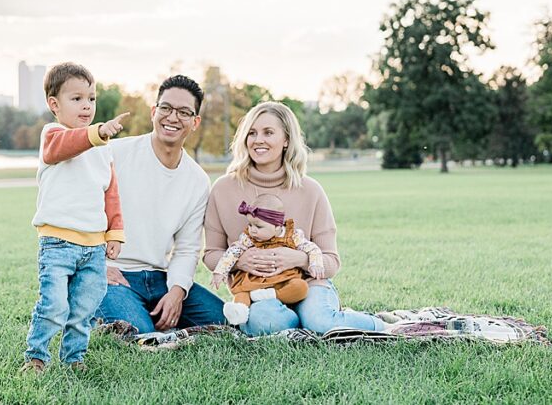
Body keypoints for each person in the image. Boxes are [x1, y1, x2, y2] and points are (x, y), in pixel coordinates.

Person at [204, 101, 390, 336]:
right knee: (266, 323)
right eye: (251, 133)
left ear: (286, 140)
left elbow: (331, 261)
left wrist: (298, 259)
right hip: (257, 291)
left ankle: (383, 325)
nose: (258, 140)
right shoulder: (223, 189)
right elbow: (211, 254)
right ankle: (298, 322)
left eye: (268, 132)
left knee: (320, 321)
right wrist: (241, 261)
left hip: (308, 285)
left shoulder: (311, 190)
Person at [93, 74, 225, 334]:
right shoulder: (114, 154)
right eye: (166, 108)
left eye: (184, 112)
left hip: (159, 278)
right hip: (113, 274)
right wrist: (97, 266)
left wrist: (177, 292)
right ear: (154, 111)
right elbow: (80, 213)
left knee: (226, 323)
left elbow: (187, 249)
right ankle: (97, 309)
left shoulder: (197, 180)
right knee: (141, 335)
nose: (173, 117)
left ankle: (138, 311)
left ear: (195, 122)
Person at [22, 62, 129, 373]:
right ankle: (37, 357)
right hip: (57, 243)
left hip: (93, 248)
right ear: (54, 104)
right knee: (54, 306)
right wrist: (96, 133)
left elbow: (111, 193)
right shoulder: (53, 135)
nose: (87, 105)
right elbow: (65, 147)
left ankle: (74, 359)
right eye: (77, 98)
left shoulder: (102, 148)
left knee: (83, 308)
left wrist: (115, 233)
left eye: (91, 99)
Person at [210, 193, 325, 325]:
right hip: (255, 281)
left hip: (284, 280)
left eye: (258, 226)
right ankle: (239, 313)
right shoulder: (248, 238)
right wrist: (220, 271)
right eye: (250, 225)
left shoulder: (292, 236)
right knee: (242, 292)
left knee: (301, 288)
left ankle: (274, 295)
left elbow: (312, 248)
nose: (252, 230)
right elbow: (232, 252)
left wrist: (316, 264)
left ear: (277, 226)